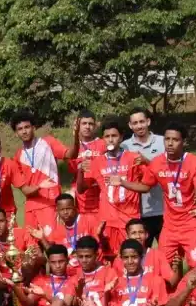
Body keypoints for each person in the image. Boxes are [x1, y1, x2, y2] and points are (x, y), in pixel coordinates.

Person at [77, 120, 146, 258]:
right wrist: (80, 171)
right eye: (107, 136)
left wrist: (123, 183)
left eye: (114, 136)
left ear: (121, 137)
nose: (110, 139)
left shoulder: (133, 158)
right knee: (109, 258)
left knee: (130, 258)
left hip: (129, 219)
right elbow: (81, 189)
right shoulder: (97, 162)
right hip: (107, 220)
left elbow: (146, 186)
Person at [141, 123, 196, 268]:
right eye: (167, 139)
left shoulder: (194, 162)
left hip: (191, 223)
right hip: (170, 226)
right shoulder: (157, 162)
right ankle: (173, 291)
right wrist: (122, 182)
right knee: (164, 266)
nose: (170, 143)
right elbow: (145, 186)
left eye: (175, 140)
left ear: (184, 142)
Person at [11, 110, 79, 237]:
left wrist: (76, 138)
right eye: (20, 129)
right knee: (31, 248)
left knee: (52, 242)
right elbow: (25, 191)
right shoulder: (18, 156)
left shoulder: (48, 142)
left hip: (50, 202)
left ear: (34, 127)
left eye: (27, 127)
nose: (24, 131)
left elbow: (71, 154)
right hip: (30, 206)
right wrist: (39, 186)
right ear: (16, 133)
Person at [0, 207, 43, 306]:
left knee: (26, 265)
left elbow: (42, 258)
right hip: (7, 287)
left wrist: (33, 258)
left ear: (7, 221)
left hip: (29, 281)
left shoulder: (22, 233)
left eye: (0, 221)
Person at [121, 108, 165, 247]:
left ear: (148, 121)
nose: (139, 126)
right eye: (135, 123)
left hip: (163, 208)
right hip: (138, 210)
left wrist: (147, 161)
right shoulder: (124, 146)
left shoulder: (163, 142)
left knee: (169, 256)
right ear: (130, 125)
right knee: (141, 254)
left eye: (142, 121)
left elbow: (168, 172)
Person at [30, 193, 104, 273]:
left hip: (91, 268)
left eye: (68, 208)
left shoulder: (89, 220)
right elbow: (55, 254)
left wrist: (100, 236)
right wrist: (42, 238)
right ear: (57, 210)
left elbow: (100, 246)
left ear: (75, 208)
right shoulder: (57, 230)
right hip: (70, 272)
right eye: (62, 209)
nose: (65, 212)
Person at [68, 110, 106, 215]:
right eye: (84, 123)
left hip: (101, 196)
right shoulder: (74, 149)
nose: (87, 127)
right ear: (78, 125)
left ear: (95, 126)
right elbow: (72, 171)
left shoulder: (103, 144)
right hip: (82, 200)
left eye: (90, 124)